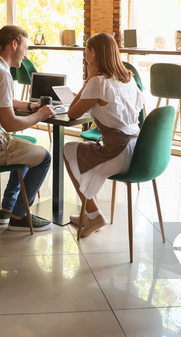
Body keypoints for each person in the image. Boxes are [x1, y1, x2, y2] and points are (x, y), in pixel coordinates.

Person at [0, 25, 56, 232]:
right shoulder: (2, 74)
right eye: (25, 48)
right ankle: (19, 215)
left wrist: (30, 106)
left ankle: (8, 208)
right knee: (44, 158)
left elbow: (2, 100)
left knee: (25, 149)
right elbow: (10, 125)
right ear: (14, 44)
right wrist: (40, 115)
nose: (26, 54)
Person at [63, 32, 145, 237]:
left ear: (94, 53)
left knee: (69, 150)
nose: (84, 54)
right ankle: (87, 214)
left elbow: (72, 113)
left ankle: (94, 214)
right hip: (138, 150)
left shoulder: (97, 81)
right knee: (85, 154)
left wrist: (88, 80)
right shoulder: (128, 78)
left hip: (117, 153)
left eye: (86, 50)